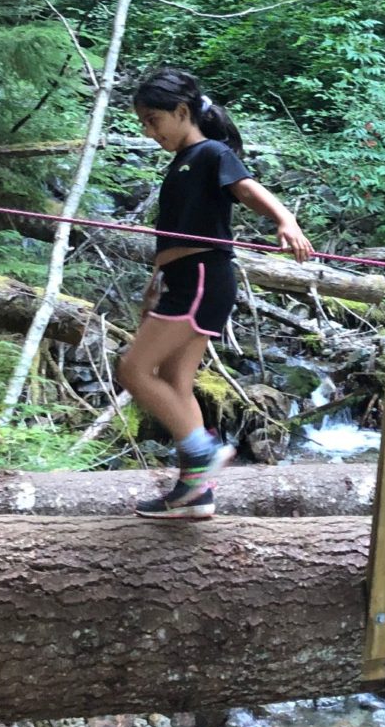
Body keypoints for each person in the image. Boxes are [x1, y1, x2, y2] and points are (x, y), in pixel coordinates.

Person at [120, 67, 313, 519]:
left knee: (132, 370)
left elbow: (247, 189)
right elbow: (175, 234)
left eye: (153, 120)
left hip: (203, 276)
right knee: (172, 382)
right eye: (143, 123)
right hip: (185, 280)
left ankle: (202, 452)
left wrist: (286, 221)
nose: (149, 131)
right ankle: (195, 494)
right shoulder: (182, 163)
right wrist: (157, 280)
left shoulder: (209, 152)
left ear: (182, 111)